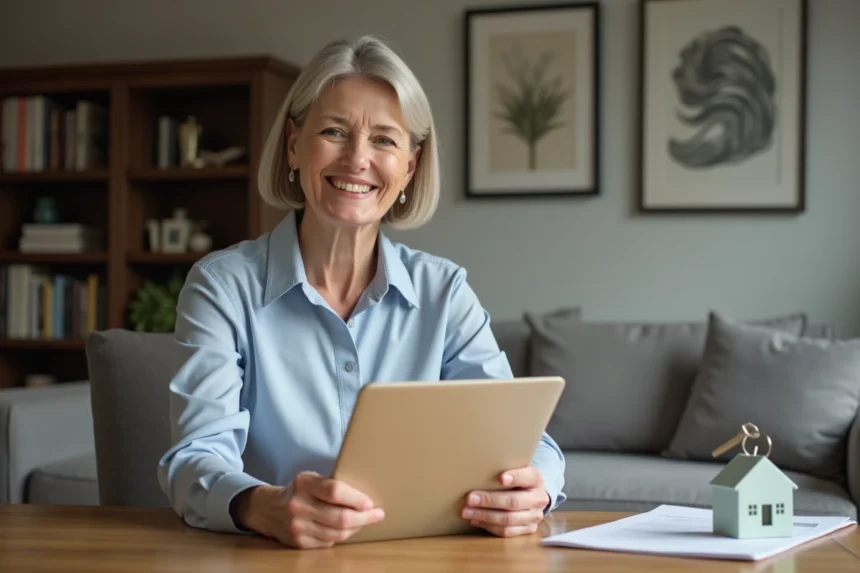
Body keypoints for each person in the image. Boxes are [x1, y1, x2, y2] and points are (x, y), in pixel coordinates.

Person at [157, 34, 566, 550]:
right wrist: (263, 507)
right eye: (334, 131)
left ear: (410, 167)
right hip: (271, 557)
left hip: (418, 557)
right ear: (293, 144)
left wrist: (535, 490)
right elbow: (195, 459)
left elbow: (527, 444)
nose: (357, 159)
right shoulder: (222, 287)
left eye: (385, 141)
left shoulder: (445, 292)